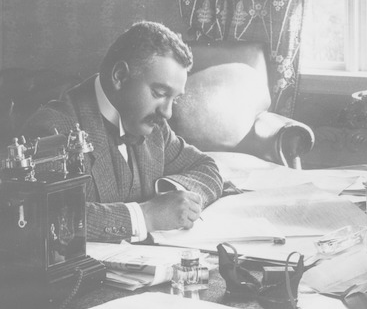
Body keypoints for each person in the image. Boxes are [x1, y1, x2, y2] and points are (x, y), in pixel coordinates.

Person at [21, 21, 223, 243]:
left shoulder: (157, 129)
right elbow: (43, 215)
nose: (167, 113)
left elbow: (207, 168)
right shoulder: (52, 128)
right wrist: (146, 216)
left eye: (174, 99)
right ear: (119, 76)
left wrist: (173, 196)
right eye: (159, 93)